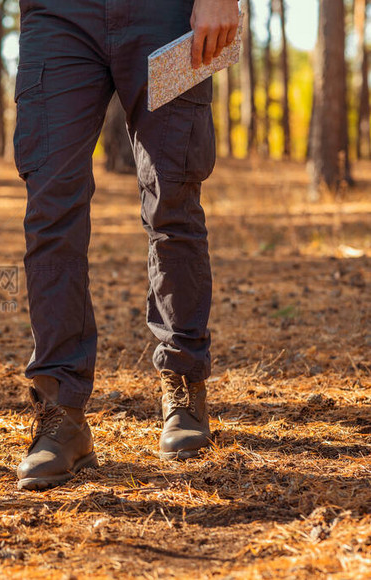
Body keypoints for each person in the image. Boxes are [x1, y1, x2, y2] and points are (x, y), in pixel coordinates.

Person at [13, 0, 239, 490]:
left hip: (167, 14)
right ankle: (61, 411)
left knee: (173, 198)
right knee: (50, 212)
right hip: (57, 17)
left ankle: (184, 384)